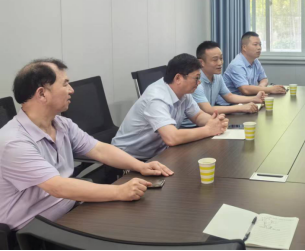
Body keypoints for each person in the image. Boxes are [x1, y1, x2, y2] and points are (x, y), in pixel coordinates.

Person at [0, 59, 174, 231]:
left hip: (69, 209)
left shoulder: (61, 124)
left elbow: (100, 149)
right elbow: (57, 187)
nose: (71, 90)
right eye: (65, 84)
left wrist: (141, 166)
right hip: (32, 229)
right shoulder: (14, 142)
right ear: (42, 94)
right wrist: (119, 191)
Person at [112, 54, 229, 160]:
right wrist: (208, 129)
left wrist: (214, 122)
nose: (199, 83)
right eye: (196, 78)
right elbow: (172, 138)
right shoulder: (156, 98)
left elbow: (198, 116)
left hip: (158, 153)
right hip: (129, 158)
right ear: (178, 78)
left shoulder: (184, 93)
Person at [179, 42, 266, 128]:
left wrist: (254, 99)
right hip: (190, 126)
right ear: (201, 62)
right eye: (215, 60)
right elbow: (208, 109)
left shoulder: (217, 76)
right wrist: (242, 107)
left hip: (208, 121)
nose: (220, 63)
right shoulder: (196, 81)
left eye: (221, 58)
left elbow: (229, 96)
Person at [223, 32, 287, 97]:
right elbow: (245, 90)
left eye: (260, 45)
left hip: (247, 99)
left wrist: (261, 87)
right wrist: (270, 89)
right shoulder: (237, 65)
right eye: (255, 44)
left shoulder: (256, 61)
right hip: (230, 102)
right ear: (244, 47)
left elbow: (264, 79)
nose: (259, 48)